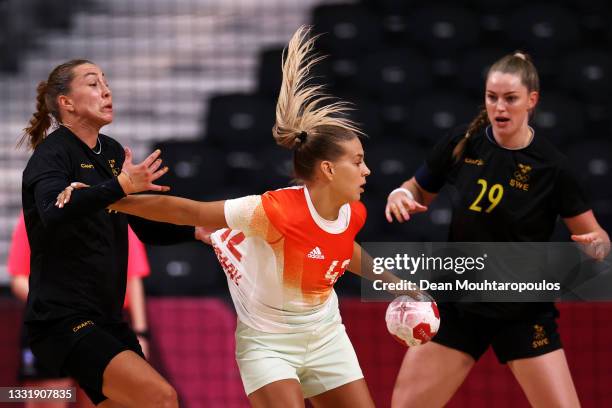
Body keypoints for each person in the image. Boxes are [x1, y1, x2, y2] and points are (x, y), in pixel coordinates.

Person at [61, 26, 376, 408]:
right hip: (268, 344)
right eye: (358, 162)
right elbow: (186, 210)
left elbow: (345, 250)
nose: (367, 171)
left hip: (326, 338)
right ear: (327, 169)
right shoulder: (272, 209)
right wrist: (111, 197)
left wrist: (399, 284)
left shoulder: (351, 212)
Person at [386, 52, 611, 407]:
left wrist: (596, 245)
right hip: (460, 304)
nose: (499, 107)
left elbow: (597, 238)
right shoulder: (462, 143)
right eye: (492, 97)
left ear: (531, 101)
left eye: (510, 98)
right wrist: (401, 194)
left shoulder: (552, 167)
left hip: (522, 309)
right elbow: (417, 189)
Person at [20, 58, 203, 408]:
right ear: (66, 102)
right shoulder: (52, 156)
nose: (106, 90)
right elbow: (52, 211)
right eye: (92, 83)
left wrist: (196, 231)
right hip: (62, 319)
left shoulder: (114, 152)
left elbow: (143, 226)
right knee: (161, 398)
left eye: (105, 81)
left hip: (107, 319)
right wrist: (118, 186)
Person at [8, 213, 152, 408]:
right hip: (50, 328)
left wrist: (141, 332)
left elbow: (133, 276)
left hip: (104, 328)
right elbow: (18, 278)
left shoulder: (114, 211)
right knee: (47, 400)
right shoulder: (37, 209)